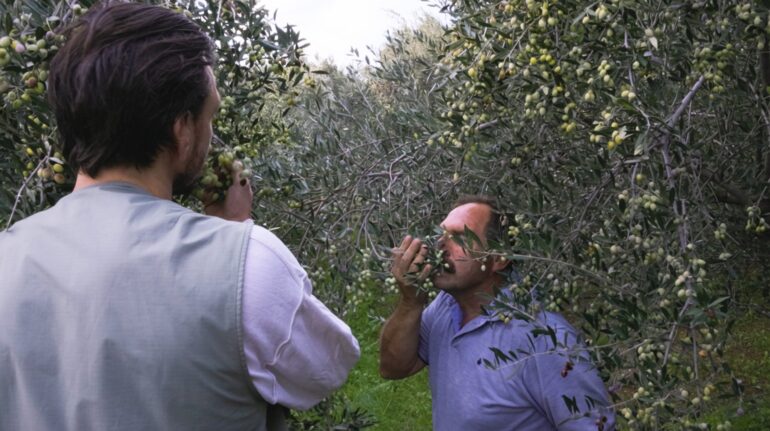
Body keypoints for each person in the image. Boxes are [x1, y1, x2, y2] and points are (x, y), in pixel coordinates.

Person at [0, 3, 359, 430]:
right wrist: (234, 232)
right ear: (181, 129)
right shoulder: (249, 264)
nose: (210, 135)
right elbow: (327, 369)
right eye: (210, 116)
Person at [379, 195, 615, 430]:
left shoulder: (546, 339)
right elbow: (393, 367)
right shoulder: (445, 306)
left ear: (499, 258)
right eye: (441, 235)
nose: (440, 245)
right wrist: (411, 302)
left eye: (459, 238)